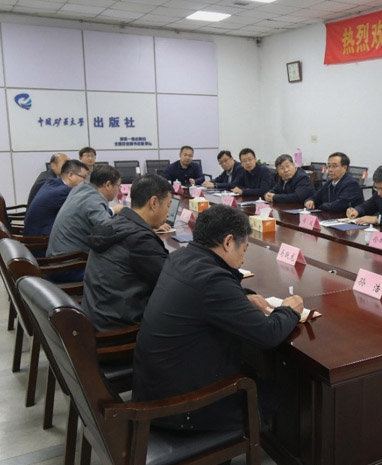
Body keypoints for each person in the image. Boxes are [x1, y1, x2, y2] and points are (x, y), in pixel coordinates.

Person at [133, 204, 302, 432]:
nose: (243, 258)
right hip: (181, 408)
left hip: (155, 388)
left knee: (252, 368)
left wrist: (241, 296)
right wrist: (290, 310)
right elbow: (268, 334)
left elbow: (203, 296)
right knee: (285, 386)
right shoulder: (212, 280)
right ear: (228, 242)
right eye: (244, 249)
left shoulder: (181, 257)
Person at [82, 174, 173, 332]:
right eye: (168, 205)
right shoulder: (140, 239)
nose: (168, 213)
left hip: (98, 316)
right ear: (153, 203)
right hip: (121, 330)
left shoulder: (116, 223)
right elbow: (172, 281)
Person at [46, 165, 123, 281]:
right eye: (118, 186)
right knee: (123, 274)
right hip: (69, 267)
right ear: (107, 185)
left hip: (56, 261)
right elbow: (111, 231)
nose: (118, 190)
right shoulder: (94, 200)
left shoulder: (80, 189)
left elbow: (91, 213)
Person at [23, 160, 89, 237]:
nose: (85, 182)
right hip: (41, 238)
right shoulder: (63, 192)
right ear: (71, 175)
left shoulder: (52, 183)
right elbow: (85, 209)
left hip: (34, 231)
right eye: (84, 177)